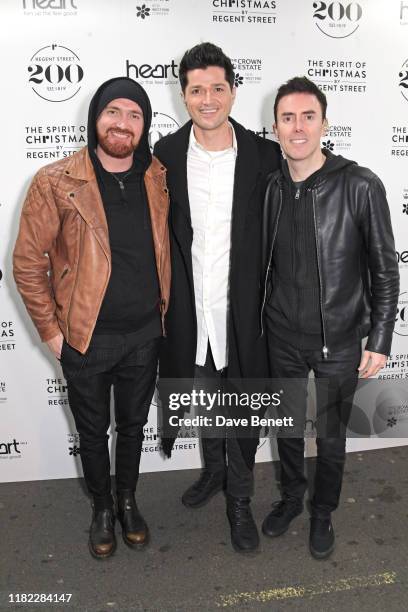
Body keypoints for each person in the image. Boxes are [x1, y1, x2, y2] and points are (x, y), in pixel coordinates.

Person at [13, 77, 170, 559]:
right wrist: (52, 334)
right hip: (86, 338)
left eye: (135, 115)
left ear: (144, 126)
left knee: (132, 427)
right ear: (96, 118)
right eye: (113, 112)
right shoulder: (55, 181)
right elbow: (26, 262)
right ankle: (103, 508)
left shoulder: (157, 175)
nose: (123, 123)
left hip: (146, 334)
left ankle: (128, 499)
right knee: (90, 432)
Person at [261, 76, 399, 559]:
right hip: (280, 336)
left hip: (339, 339)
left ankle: (323, 511)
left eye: (307, 117)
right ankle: (291, 498)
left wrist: (380, 337)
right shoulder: (269, 187)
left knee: (333, 437)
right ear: (275, 126)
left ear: (324, 123)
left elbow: (385, 266)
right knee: (288, 431)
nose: (297, 128)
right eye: (287, 118)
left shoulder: (359, 184)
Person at [154, 42, 280, 553]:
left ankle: (240, 501)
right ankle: (213, 473)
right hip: (190, 313)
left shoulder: (265, 155)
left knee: (243, 412)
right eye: (196, 89)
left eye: (217, 88)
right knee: (206, 402)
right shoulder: (162, 155)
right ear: (183, 94)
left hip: (245, 316)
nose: (207, 99)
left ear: (233, 90)